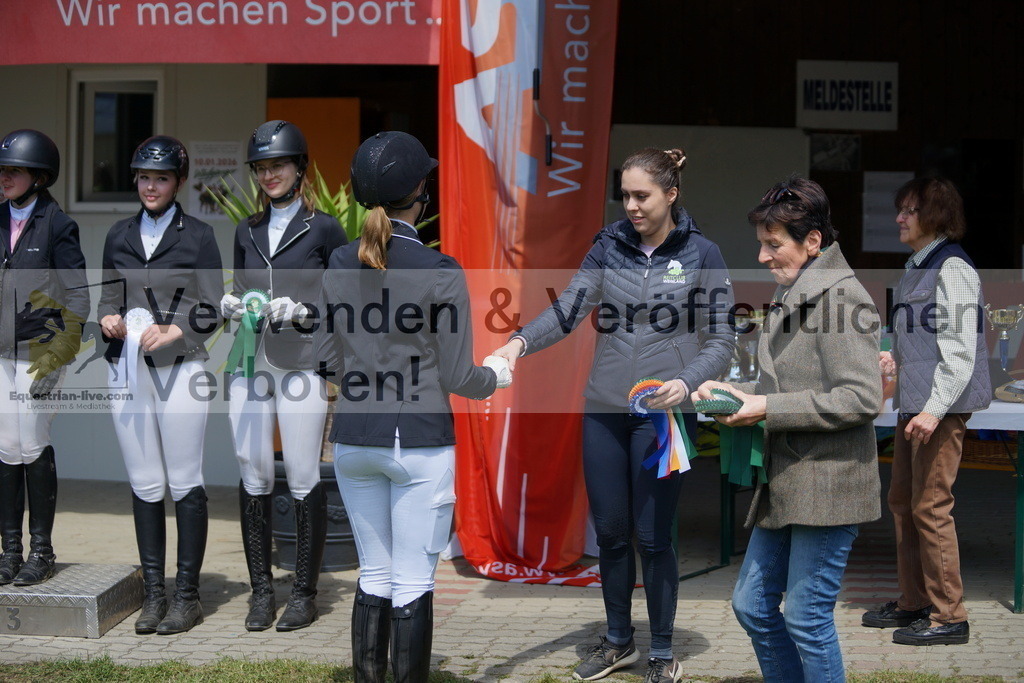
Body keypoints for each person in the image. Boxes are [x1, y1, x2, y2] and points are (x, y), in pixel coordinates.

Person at [491, 148, 734, 683]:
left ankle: (663, 650)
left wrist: (686, 383)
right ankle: (619, 640)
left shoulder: (703, 253)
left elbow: (721, 340)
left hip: (663, 416)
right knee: (613, 533)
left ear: (671, 195)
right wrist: (519, 343)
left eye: (641, 195)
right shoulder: (609, 245)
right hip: (602, 410)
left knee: (654, 537)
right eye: (624, 195)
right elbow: (570, 307)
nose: (631, 206)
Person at [314, 131, 509, 683]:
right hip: (418, 442)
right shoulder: (441, 270)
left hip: (353, 441)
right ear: (419, 193)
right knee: (413, 579)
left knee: (374, 573)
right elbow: (457, 376)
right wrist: (496, 376)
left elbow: (325, 360)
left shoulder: (337, 261)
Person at [692, 176, 882, 682]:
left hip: (829, 484)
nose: (762, 256)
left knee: (806, 617)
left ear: (813, 242)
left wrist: (766, 407)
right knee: (753, 606)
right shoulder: (797, 290)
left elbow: (862, 397)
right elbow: (785, 382)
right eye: (762, 243)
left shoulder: (843, 300)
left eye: (773, 244)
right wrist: (728, 397)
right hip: (788, 481)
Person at [220, 120, 347, 632]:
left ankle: (303, 592)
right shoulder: (245, 229)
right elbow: (241, 286)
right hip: (249, 364)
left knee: (300, 471)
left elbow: (341, 298)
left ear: (299, 170)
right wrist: (232, 303)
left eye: (279, 165)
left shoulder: (325, 229)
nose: (270, 174)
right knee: (252, 468)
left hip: (301, 363)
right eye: (262, 167)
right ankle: (259, 592)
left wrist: (305, 311)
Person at [98, 136, 223, 635]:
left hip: (181, 368)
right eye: (145, 178)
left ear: (178, 183)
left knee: (184, 479)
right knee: (145, 481)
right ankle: (154, 594)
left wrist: (178, 328)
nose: (151, 186)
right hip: (125, 368)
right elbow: (108, 291)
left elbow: (212, 306)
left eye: (162, 178)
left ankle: (187, 596)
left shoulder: (200, 235)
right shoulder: (117, 233)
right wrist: (108, 316)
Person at [861, 177, 988, 646]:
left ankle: (949, 616)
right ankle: (914, 602)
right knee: (902, 504)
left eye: (909, 210)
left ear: (934, 216)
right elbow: (924, 336)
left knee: (931, 508)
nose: (899, 218)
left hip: (938, 410)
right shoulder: (917, 266)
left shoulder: (952, 266)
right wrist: (895, 355)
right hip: (915, 406)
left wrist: (934, 411)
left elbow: (960, 354)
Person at [0, 129, 89, 586]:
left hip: (39, 351)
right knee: (5, 449)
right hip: (0, 353)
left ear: (38, 176)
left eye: (13, 171)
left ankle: (41, 550)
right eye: (2, 171)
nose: (5, 178)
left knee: (32, 445)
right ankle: (9, 550)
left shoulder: (57, 224)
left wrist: (58, 358)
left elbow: (77, 298)